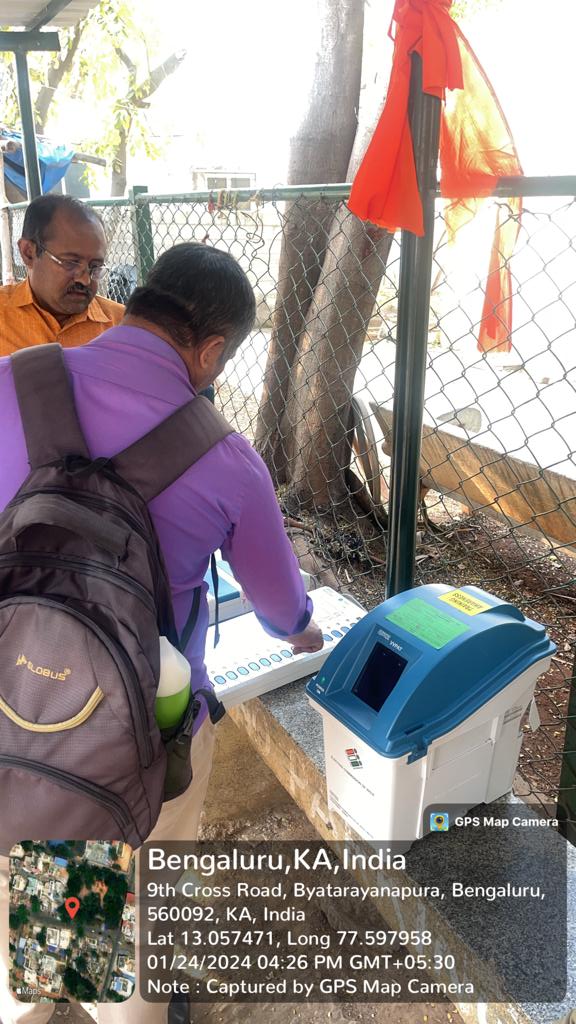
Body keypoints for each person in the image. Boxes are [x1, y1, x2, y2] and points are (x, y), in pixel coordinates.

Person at [0, 241, 323, 1024]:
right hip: (147, 726)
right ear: (210, 348)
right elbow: (281, 609)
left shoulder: (15, 382)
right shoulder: (227, 458)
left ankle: (49, 975)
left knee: (49, 868)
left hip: (12, 695)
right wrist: (306, 635)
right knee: (141, 904)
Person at [0, 193, 124, 356]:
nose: (85, 279)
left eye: (95, 266)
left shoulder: (122, 326)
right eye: (70, 262)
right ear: (28, 253)